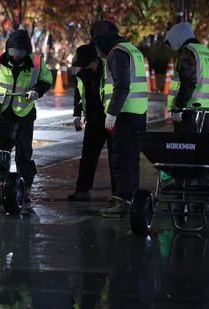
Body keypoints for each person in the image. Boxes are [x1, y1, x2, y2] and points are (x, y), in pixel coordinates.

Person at [0, 29, 53, 202]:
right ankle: (1, 187)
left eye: (20, 54)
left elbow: (47, 80)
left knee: (24, 152)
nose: (16, 57)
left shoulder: (36, 61)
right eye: (13, 53)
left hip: (24, 113)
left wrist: (36, 91)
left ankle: (25, 188)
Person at [90, 21, 148, 217]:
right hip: (138, 113)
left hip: (124, 115)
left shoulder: (117, 53)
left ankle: (123, 201)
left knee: (122, 159)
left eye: (97, 44)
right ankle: (130, 199)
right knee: (130, 159)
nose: (97, 50)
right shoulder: (132, 49)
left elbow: (122, 85)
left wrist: (112, 112)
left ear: (102, 40)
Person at [67, 44, 108, 201]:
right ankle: (82, 191)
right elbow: (79, 94)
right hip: (94, 118)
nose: (84, 67)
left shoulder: (109, 69)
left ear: (96, 60)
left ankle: (119, 195)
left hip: (112, 117)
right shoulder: (83, 72)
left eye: (87, 64)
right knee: (88, 156)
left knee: (116, 158)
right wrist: (77, 115)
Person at [164, 22, 209, 133]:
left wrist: (179, 107)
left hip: (189, 111)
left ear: (178, 39)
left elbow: (189, 82)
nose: (175, 49)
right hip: (207, 112)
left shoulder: (188, 52)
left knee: (185, 147)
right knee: (201, 148)